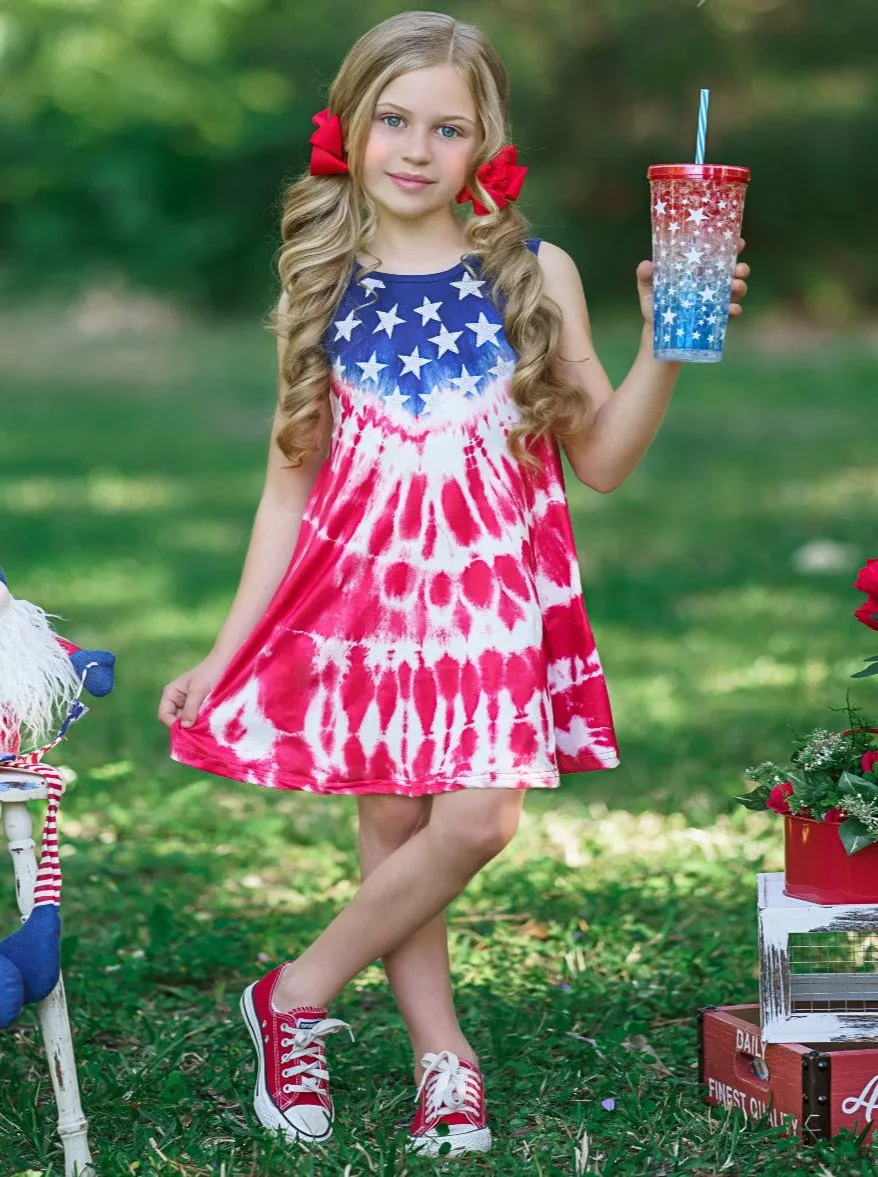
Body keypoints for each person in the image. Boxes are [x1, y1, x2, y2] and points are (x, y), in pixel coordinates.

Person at [158, 9, 750, 1158]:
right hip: (362, 598)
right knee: (393, 818)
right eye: (394, 119)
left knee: (474, 816)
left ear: (485, 145)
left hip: (487, 590)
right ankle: (443, 1060)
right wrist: (223, 653)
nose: (416, 149)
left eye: (447, 127)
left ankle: (292, 995)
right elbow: (286, 494)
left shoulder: (533, 273)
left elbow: (605, 459)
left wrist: (665, 346)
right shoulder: (318, 284)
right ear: (351, 127)